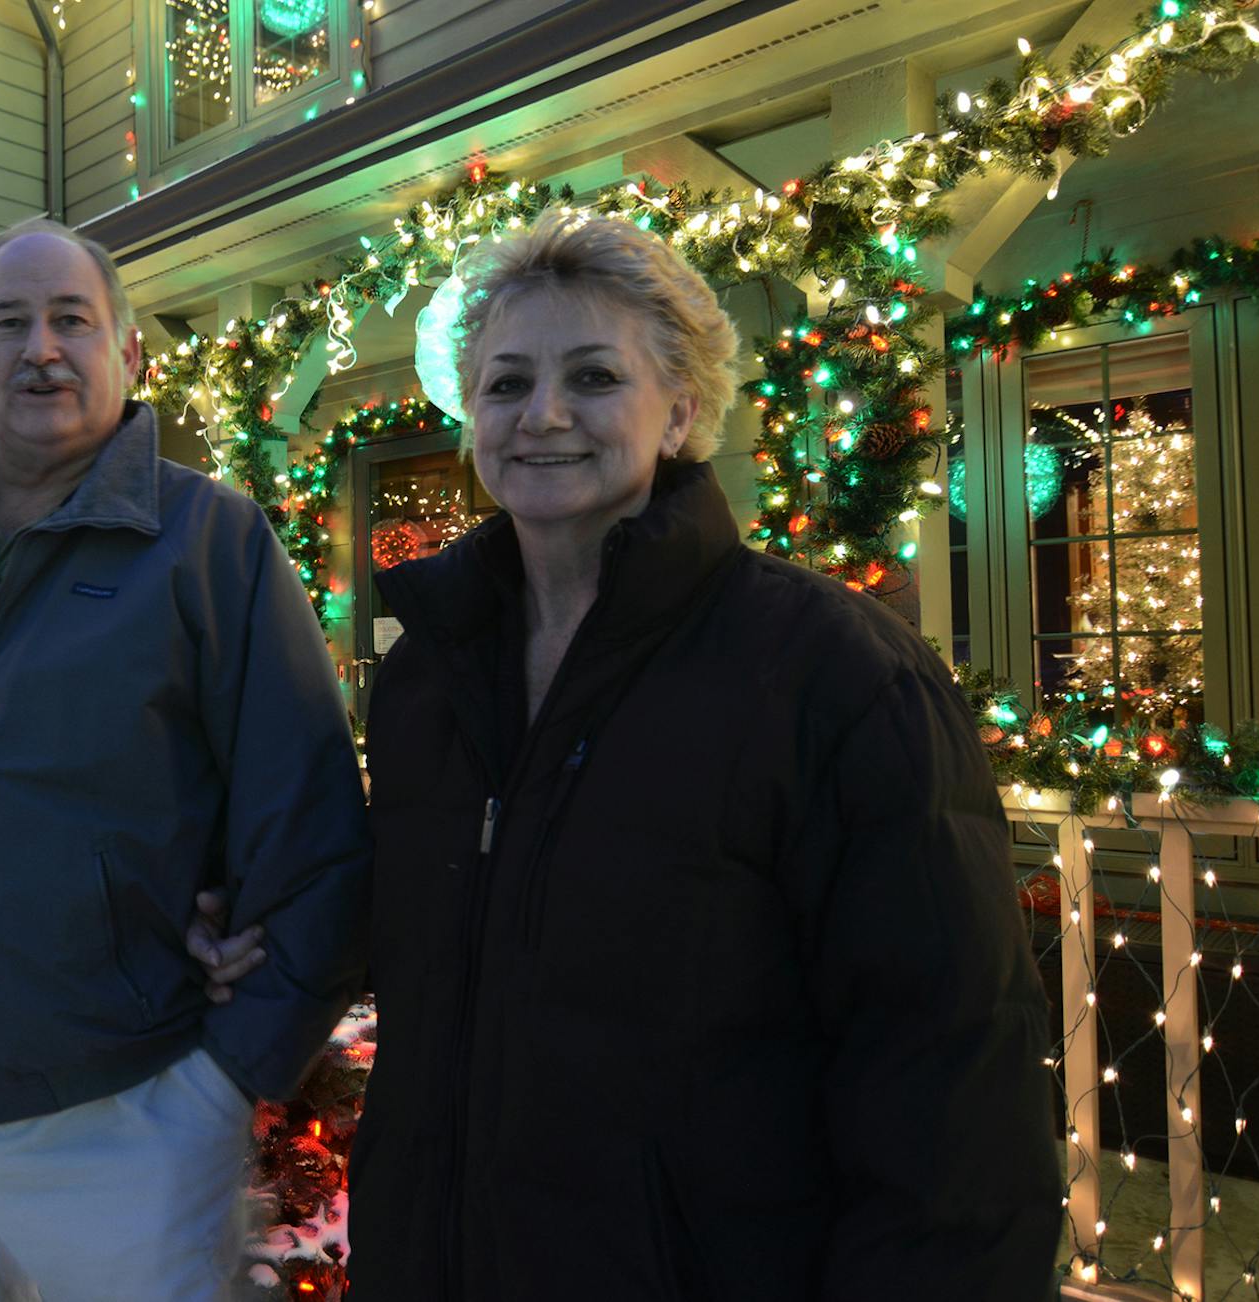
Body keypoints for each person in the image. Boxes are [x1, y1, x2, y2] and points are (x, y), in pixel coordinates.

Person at [196, 211, 1060, 1298]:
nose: (542, 415)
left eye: (594, 377)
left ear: (681, 411)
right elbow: (428, 928)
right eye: (505, 385)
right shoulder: (430, 679)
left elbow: (952, 1088)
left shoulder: (828, 673)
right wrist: (250, 918)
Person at [0, 216, 370, 1302]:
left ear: (128, 354)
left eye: (70, 320)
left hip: (124, 1119)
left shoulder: (211, 545)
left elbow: (313, 831)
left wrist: (228, 1081)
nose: (39, 348)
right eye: (9, 323)